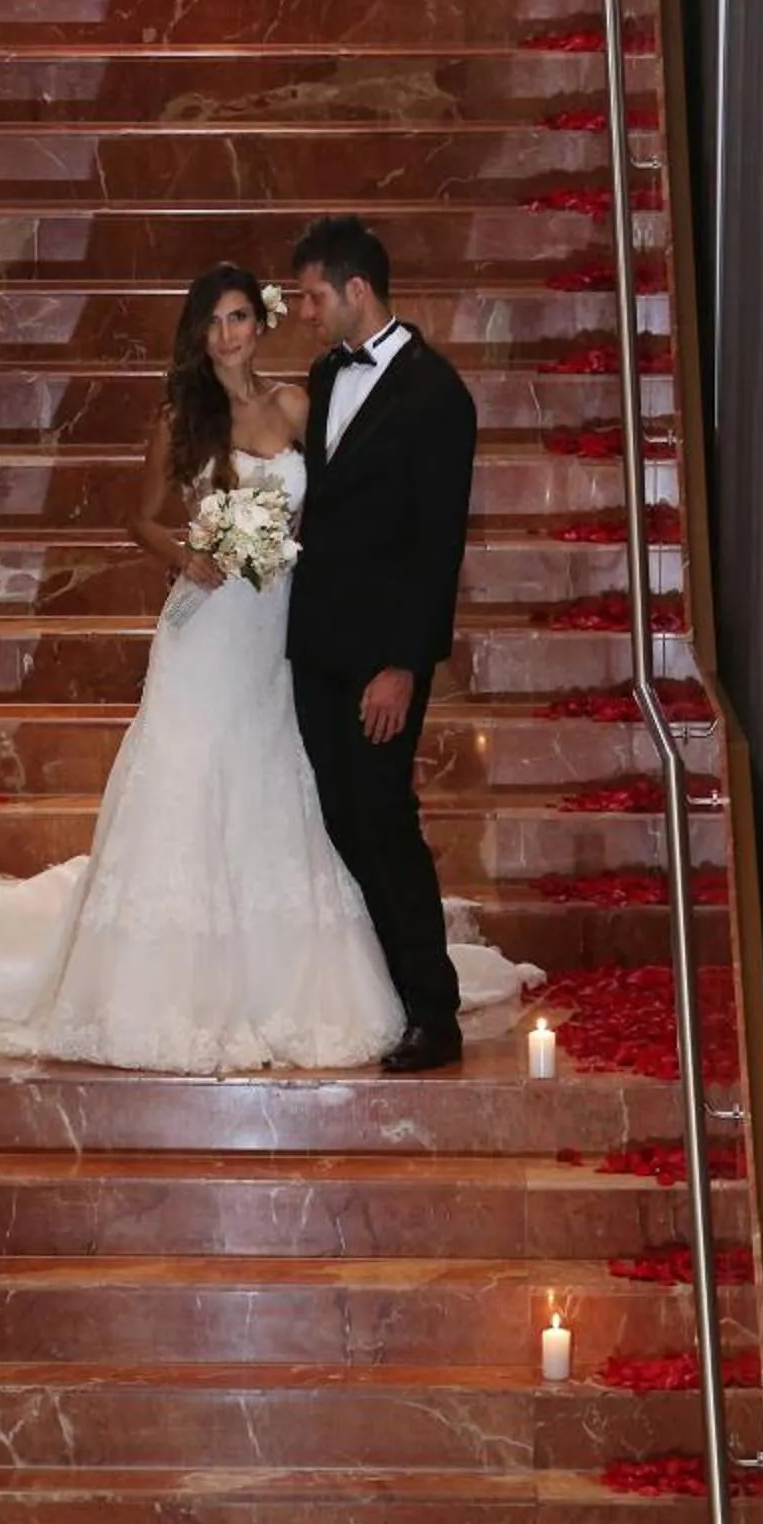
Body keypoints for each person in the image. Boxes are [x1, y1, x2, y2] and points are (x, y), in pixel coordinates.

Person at [0, 264, 535, 1073]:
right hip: (203, 630)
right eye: (214, 322)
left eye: (240, 317)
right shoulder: (182, 419)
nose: (229, 334)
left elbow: (338, 514)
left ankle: (291, 984)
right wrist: (191, 556)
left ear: (260, 325)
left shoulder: (298, 406)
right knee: (187, 776)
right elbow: (139, 518)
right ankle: (162, 988)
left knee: (270, 780)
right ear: (198, 336)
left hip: (276, 630)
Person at [287, 214, 480, 1073]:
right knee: (338, 817)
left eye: (311, 295)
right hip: (317, 645)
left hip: (382, 662)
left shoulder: (439, 395)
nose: (302, 310)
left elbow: (438, 547)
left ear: (356, 290)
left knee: (384, 821)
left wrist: (402, 665)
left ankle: (432, 1013)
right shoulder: (327, 374)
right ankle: (383, 990)